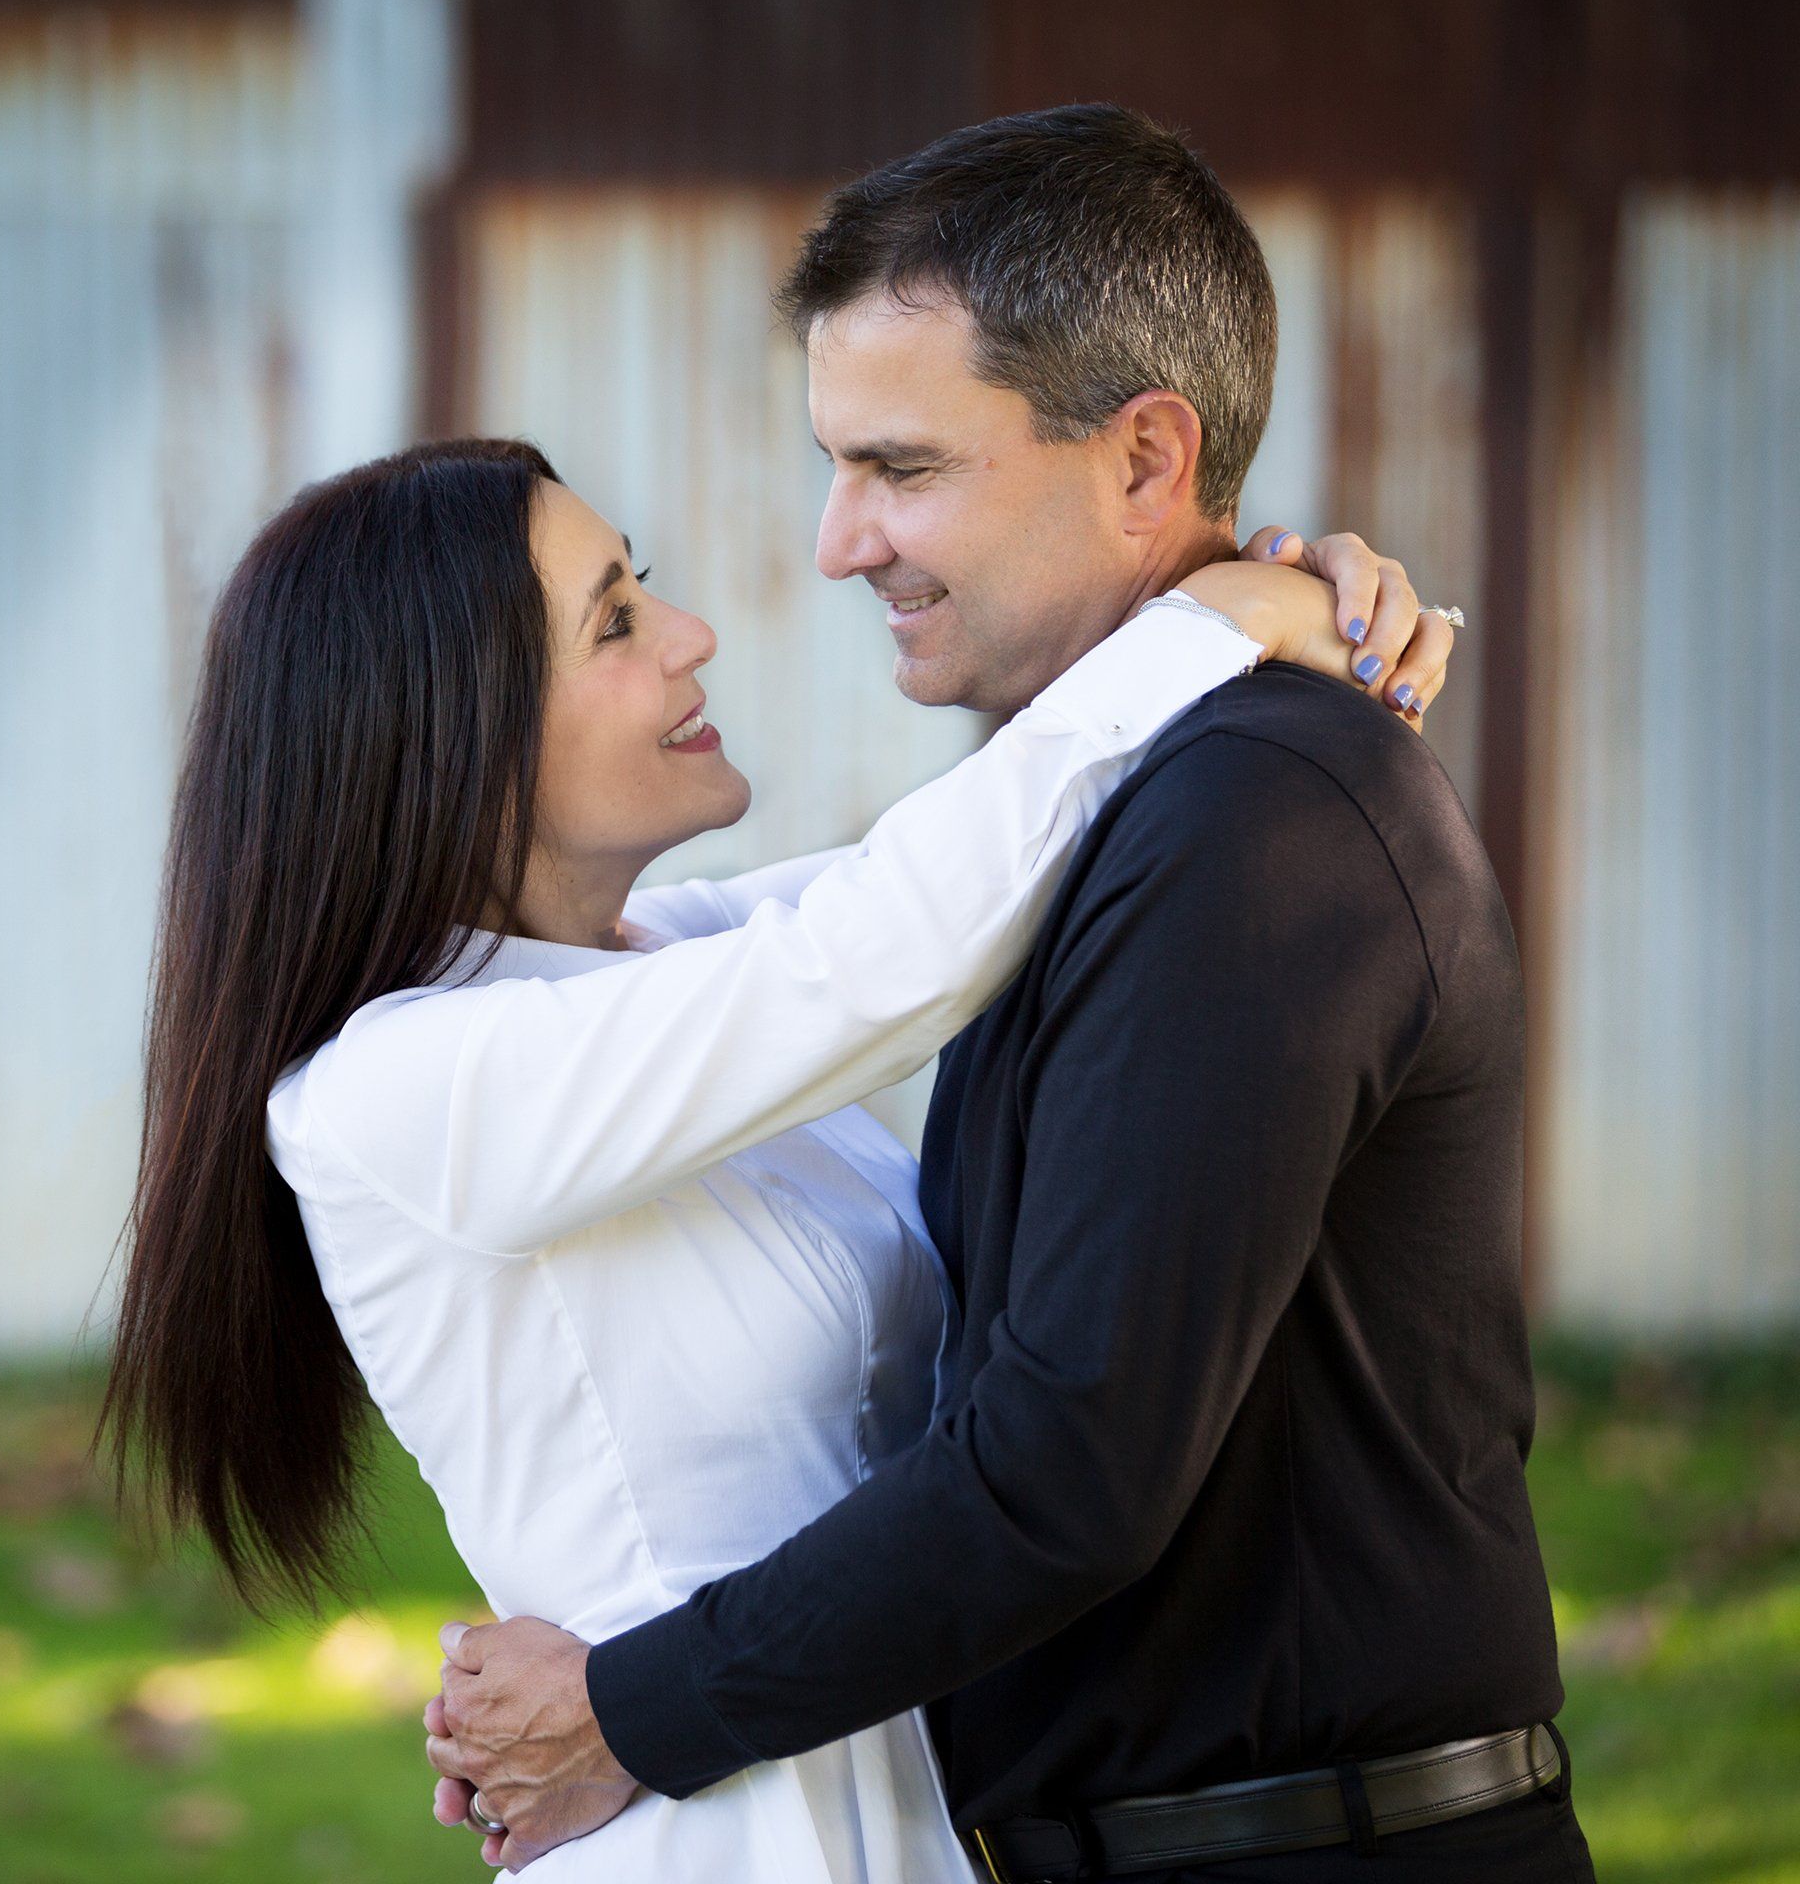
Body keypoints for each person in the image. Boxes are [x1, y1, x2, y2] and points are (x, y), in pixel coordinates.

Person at [426, 107, 1593, 1883]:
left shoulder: (1255, 824)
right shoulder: (1094, 818)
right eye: (835, 465)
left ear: (1145, 459)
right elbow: (809, 941)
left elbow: (1066, 1467)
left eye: (903, 467)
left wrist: (631, 1714)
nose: (837, 544)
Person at [102, 422, 1438, 1884]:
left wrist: (1286, 599)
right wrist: (1214, 621)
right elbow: (892, 948)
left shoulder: (654, 966)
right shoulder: (397, 1090)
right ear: (447, 728)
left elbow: (993, 860)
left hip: (870, 1795)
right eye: (614, 620)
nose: (691, 637)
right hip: (713, 1839)